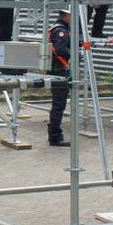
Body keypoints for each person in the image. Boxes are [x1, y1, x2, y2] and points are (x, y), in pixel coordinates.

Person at [47, 8, 73, 148]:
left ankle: (54, 135)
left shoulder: (59, 28)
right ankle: (55, 137)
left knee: (58, 104)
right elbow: (60, 50)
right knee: (58, 105)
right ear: (66, 15)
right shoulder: (60, 31)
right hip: (59, 71)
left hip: (58, 70)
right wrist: (76, 54)